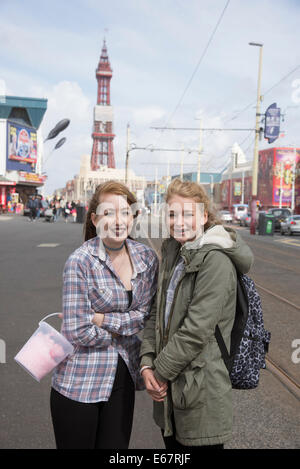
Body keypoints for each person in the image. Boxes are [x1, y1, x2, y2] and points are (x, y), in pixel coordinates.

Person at [140, 178, 254, 450]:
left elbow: (196, 330)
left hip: (201, 394)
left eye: (188, 213)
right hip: (171, 395)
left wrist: (158, 373)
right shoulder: (173, 252)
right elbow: (155, 315)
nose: (179, 221)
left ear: (203, 216)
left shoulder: (215, 260)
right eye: (172, 214)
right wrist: (146, 363)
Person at [50, 181, 158, 449]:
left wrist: (99, 318)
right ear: (95, 218)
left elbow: (144, 315)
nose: (118, 221)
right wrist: (124, 327)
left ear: (134, 216)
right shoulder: (81, 261)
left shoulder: (146, 258)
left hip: (122, 380)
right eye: (108, 213)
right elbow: (77, 331)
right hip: (79, 382)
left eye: (124, 212)